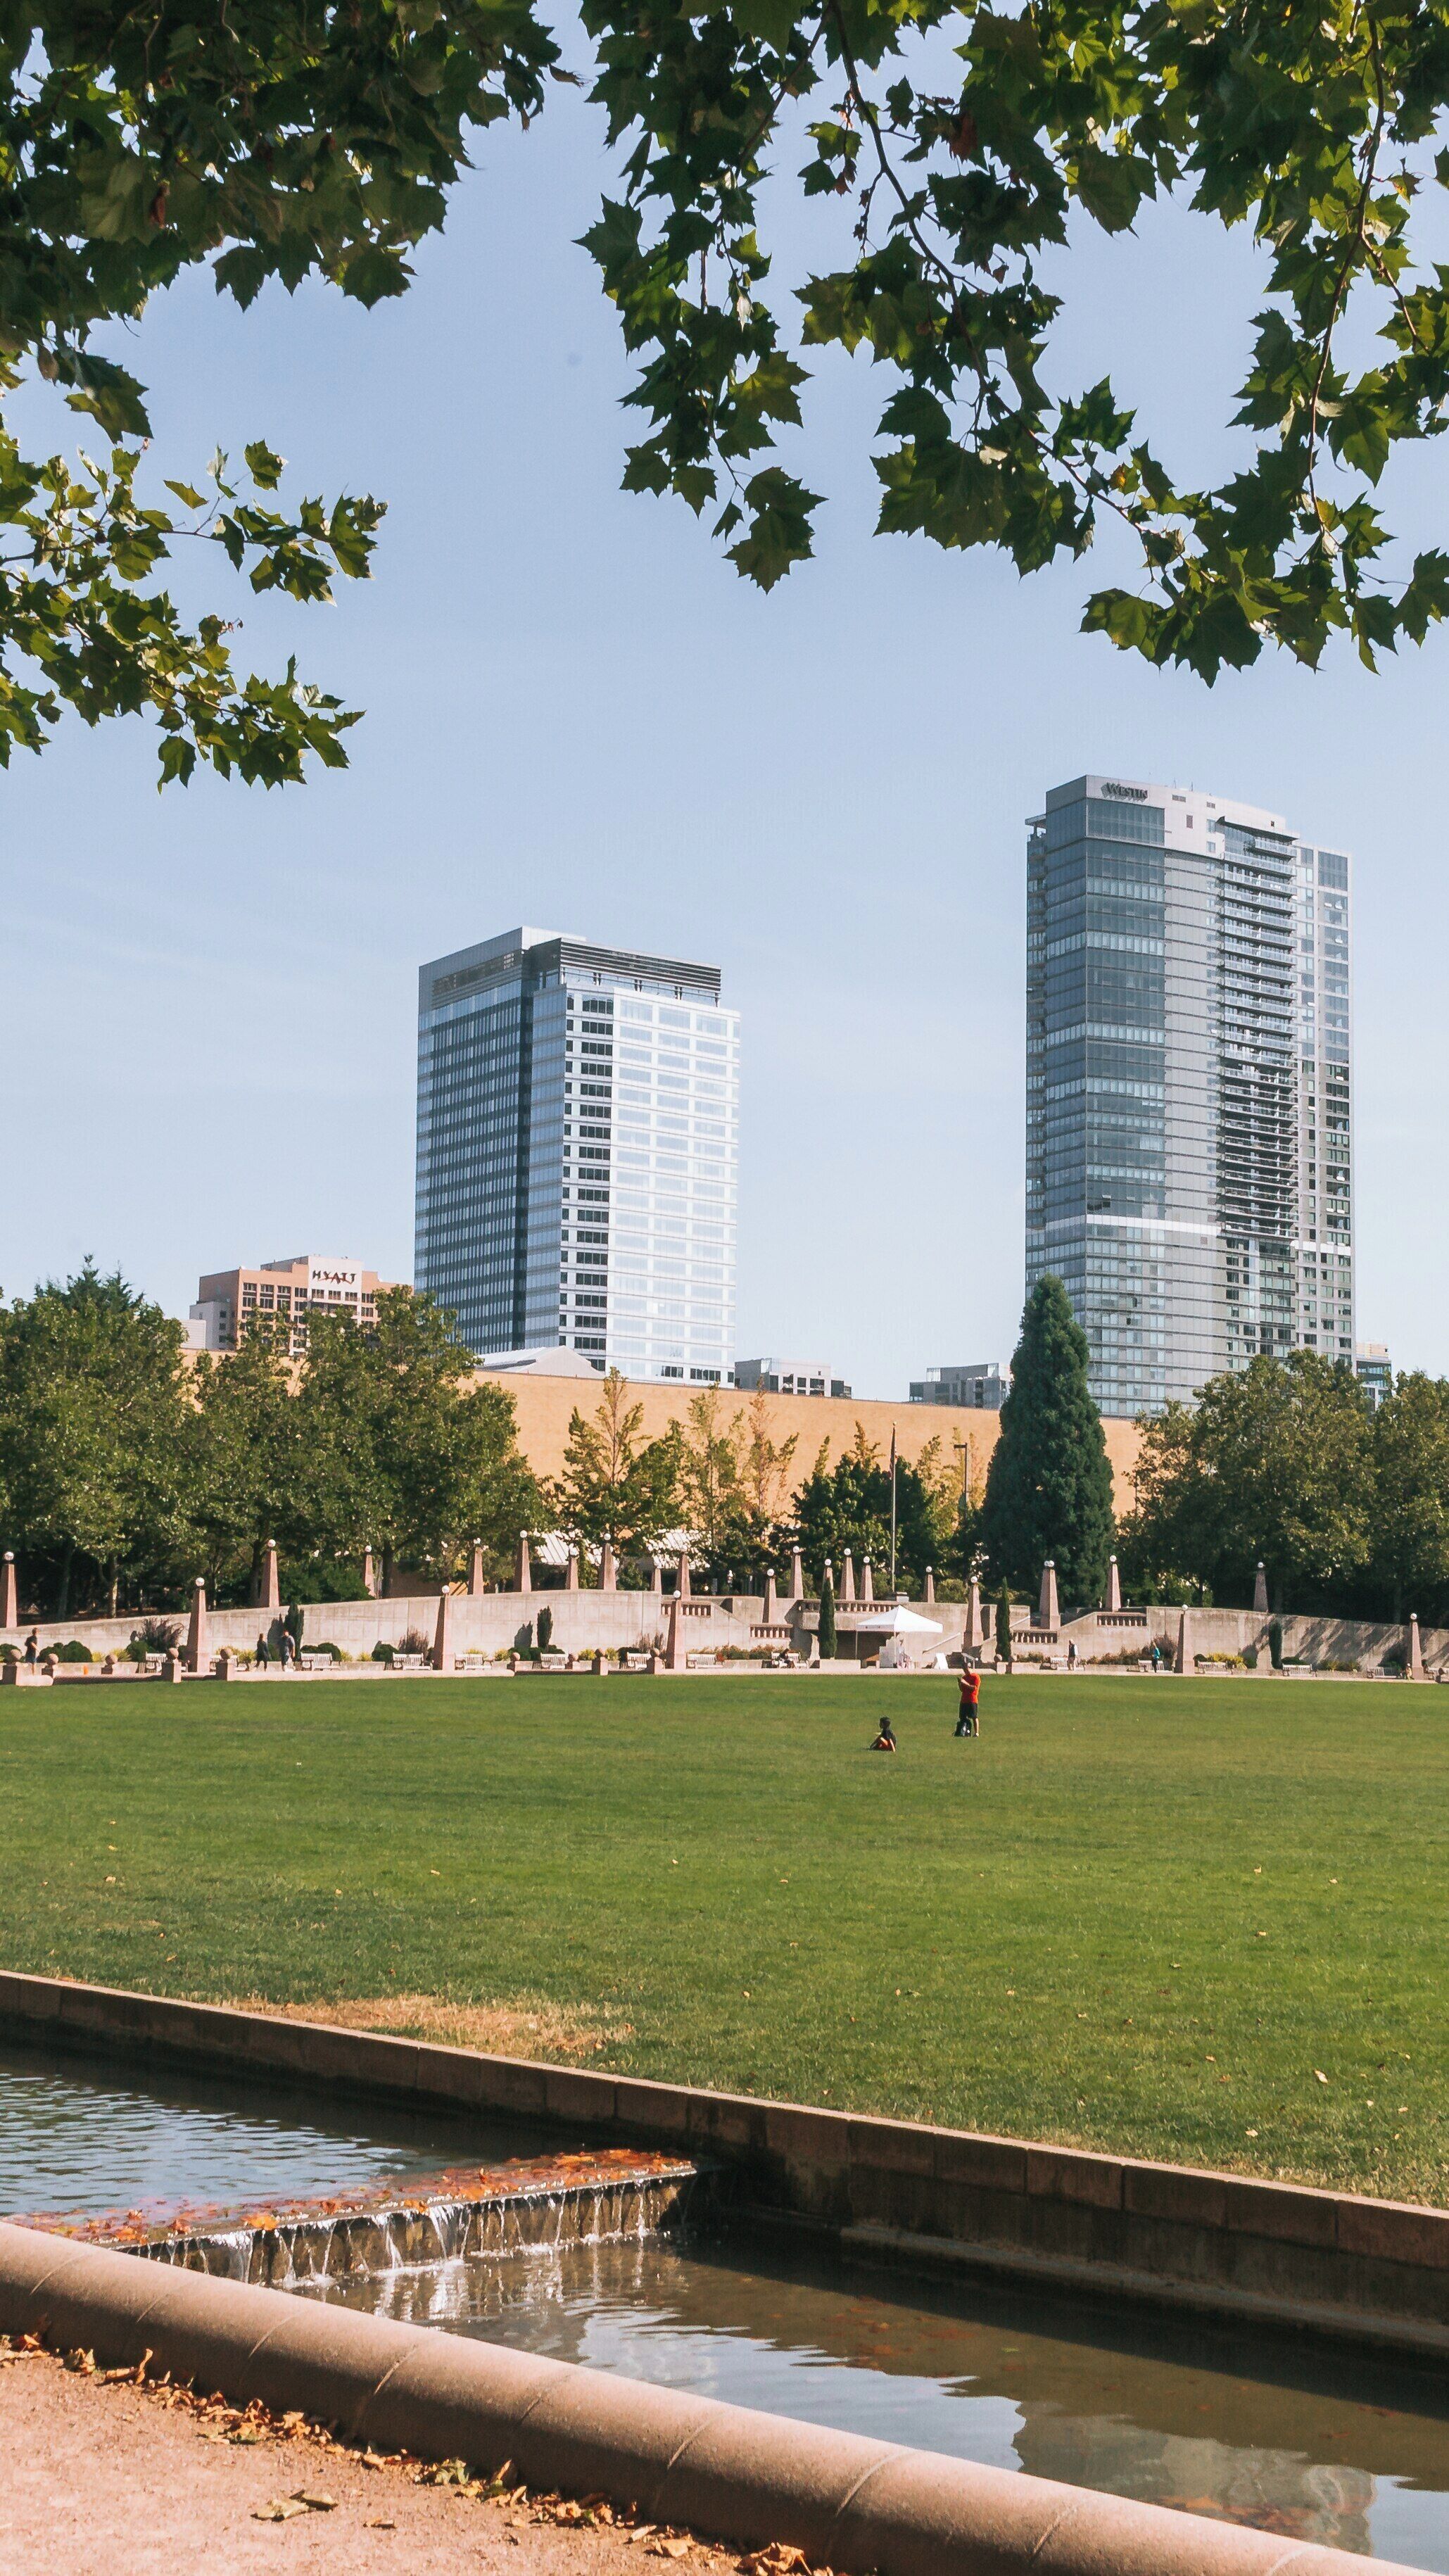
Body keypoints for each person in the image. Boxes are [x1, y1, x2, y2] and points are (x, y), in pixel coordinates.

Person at [955, 1667, 980, 1737]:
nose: (966, 1671)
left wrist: (965, 1683)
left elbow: (974, 1688)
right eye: (965, 1670)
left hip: (972, 1700)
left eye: (967, 1669)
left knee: (974, 1717)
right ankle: (964, 1731)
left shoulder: (976, 1677)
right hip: (964, 1700)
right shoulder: (964, 1677)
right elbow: (962, 1690)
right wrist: (960, 1683)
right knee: (962, 1717)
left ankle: (976, 1732)